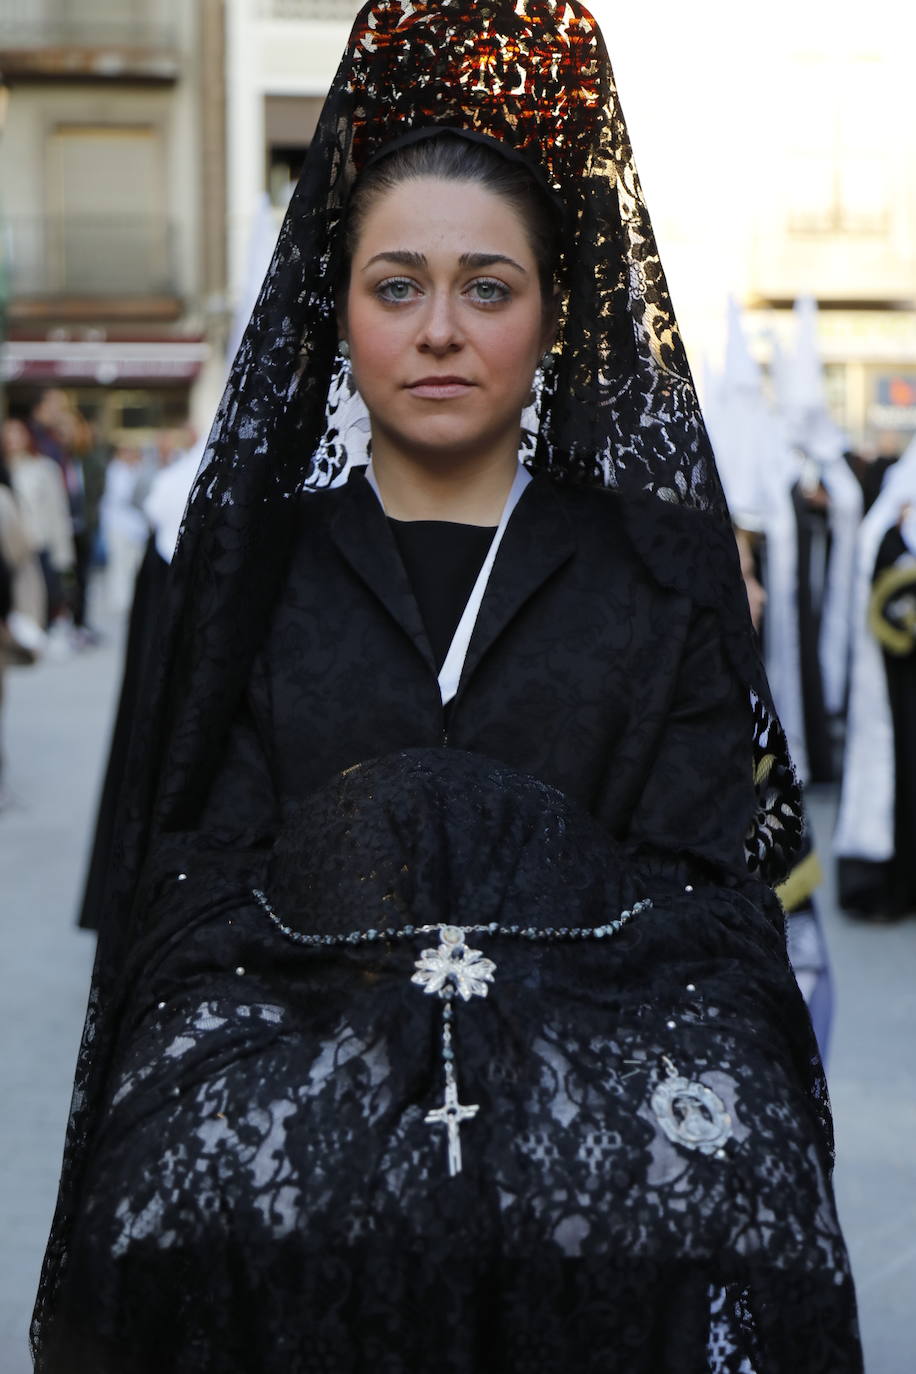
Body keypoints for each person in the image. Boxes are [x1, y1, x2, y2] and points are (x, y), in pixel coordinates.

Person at [32, 4, 862, 1372]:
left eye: (488, 286)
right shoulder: (249, 578)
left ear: (551, 315)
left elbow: (712, 912)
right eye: (395, 283)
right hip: (301, 1218)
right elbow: (190, 903)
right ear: (337, 306)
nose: (439, 329)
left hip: (593, 1218)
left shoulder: (657, 582)